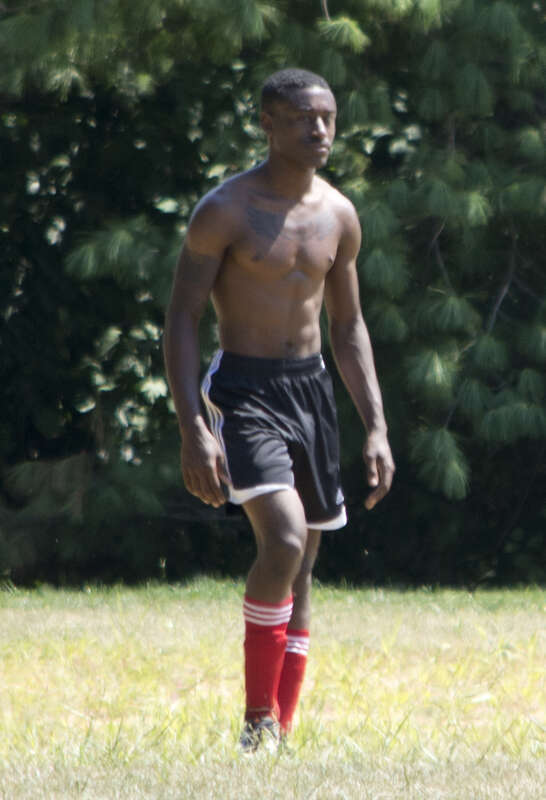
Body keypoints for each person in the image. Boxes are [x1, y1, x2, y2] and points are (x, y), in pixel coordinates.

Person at [163, 68, 395, 750]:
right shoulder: (225, 210)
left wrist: (376, 426)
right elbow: (180, 318)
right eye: (302, 119)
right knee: (285, 541)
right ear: (268, 123)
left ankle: (281, 734)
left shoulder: (339, 214)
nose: (320, 130)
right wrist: (193, 428)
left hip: (311, 390)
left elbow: (347, 328)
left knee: (306, 564)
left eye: (327, 117)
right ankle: (256, 722)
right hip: (244, 389)